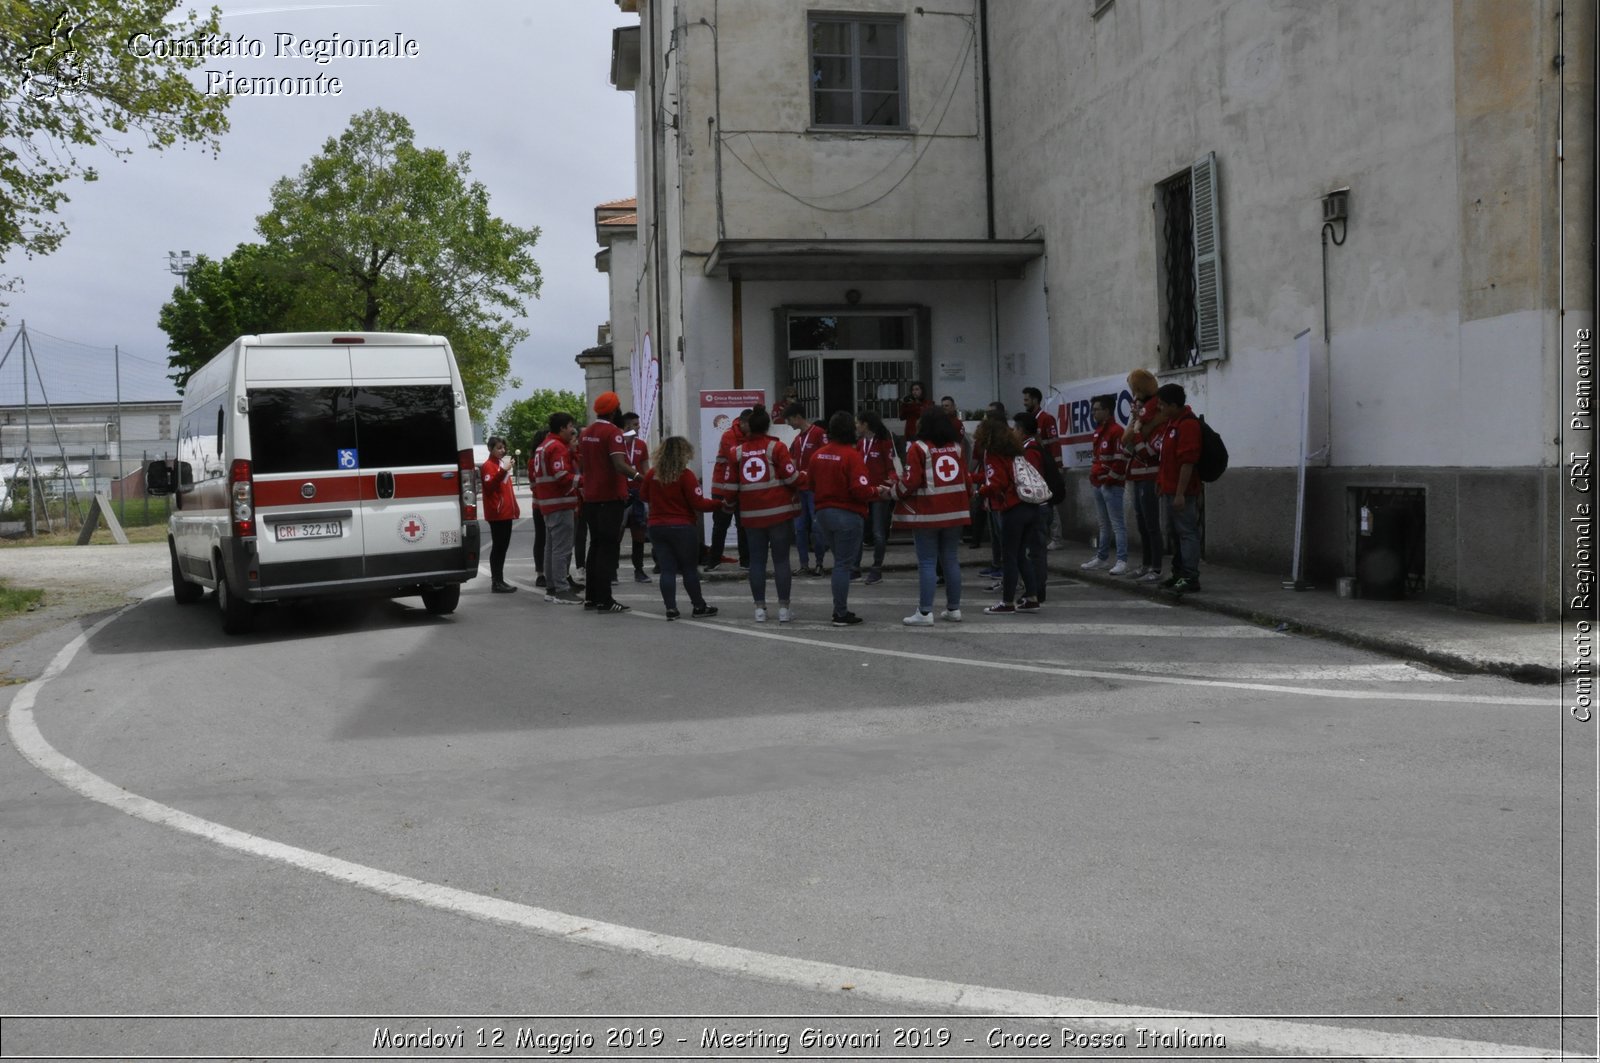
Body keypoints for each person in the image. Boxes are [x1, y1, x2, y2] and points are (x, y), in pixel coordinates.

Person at [888, 406, 970, 624]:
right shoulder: (957, 447)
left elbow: (911, 481)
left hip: (928, 514)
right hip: (955, 512)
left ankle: (925, 612)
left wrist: (893, 492)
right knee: (951, 560)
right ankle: (954, 609)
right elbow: (966, 480)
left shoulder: (919, 448)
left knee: (927, 562)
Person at [731, 405, 801, 622]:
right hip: (778, 513)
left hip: (752, 516)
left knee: (757, 561)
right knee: (781, 560)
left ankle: (760, 609)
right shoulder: (776, 448)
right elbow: (791, 478)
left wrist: (726, 504)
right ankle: (784, 609)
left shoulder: (737, 452)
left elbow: (731, 486)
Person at [641, 436, 720, 620]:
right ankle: (698, 606)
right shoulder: (686, 475)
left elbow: (644, 496)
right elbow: (698, 503)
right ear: (683, 454)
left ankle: (671, 608)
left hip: (657, 526)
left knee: (667, 569)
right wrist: (719, 504)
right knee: (689, 569)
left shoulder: (652, 474)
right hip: (682, 527)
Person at [809, 410, 877, 626]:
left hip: (823, 514)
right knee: (843, 565)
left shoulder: (818, 454)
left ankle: (840, 610)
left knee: (840, 562)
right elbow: (861, 490)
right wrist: (878, 492)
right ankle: (840, 612)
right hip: (847, 515)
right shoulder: (851, 456)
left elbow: (810, 484)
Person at [578, 390, 643, 613]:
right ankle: (605, 600)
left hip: (591, 499)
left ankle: (591, 597)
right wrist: (638, 476)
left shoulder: (586, 433)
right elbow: (618, 464)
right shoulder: (613, 433)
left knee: (595, 546)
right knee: (607, 549)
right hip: (610, 498)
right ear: (614, 411)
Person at [975, 418, 1044, 613]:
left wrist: (979, 492)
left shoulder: (993, 454)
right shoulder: (1014, 451)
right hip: (1029, 505)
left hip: (1012, 509)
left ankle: (1007, 602)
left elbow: (996, 483)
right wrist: (973, 478)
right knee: (1021, 555)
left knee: (1010, 556)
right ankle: (1032, 598)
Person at [1155, 382, 1204, 593]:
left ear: (1174, 405)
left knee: (1186, 533)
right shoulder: (1171, 424)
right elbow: (1166, 459)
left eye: (1163, 405)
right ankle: (1178, 573)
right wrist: (1161, 483)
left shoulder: (1187, 425)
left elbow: (1187, 462)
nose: (1160, 409)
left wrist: (1180, 494)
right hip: (1168, 489)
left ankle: (1191, 576)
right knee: (1174, 534)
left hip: (1182, 492)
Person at [1122, 368, 1169, 583]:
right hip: (1137, 475)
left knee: (1151, 524)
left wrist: (1138, 430)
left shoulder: (1157, 419)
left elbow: (1146, 451)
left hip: (1149, 475)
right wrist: (1135, 426)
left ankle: (1156, 567)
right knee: (1142, 523)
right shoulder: (1139, 416)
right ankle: (1146, 564)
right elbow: (1126, 441)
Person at [533, 413, 583, 604]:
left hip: (547, 504)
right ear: (562, 428)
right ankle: (562, 590)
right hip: (560, 504)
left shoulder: (543, 446)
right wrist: (586, 482)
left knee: (551, 548)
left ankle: (552, 588)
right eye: (571, 426)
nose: (573, 430)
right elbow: (562, 475)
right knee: (561, 549)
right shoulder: (557, 447)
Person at [1081, 393, 1130, 574]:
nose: (1093, 413)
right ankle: (1101, 557)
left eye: (1096, 410)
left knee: (1117, 524)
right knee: (1103, 524)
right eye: (1092, 410)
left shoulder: (1116, 431)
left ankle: (1122, 560)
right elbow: (1097, 458)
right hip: (1099, 484)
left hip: (1112, 485)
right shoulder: (1099, 431)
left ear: (1107, 411)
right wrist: (1095, 478)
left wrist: (1108, 480)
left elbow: (1120, 460)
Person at [783, 402, 827, 575]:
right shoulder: (797, 440)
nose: (788, 424)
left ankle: (819, 563)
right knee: (800, 528)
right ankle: (803, 564)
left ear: (797, 417)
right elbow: (792, 463)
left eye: (789, 420)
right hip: (800, 489)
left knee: (817, 527)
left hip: (814, 489)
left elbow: (824, 459)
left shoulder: (818, 434)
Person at [1011, 410, 1051, 603]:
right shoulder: (1029, 447)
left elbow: (1030, 480)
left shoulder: (1031, 450)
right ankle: (1035, 590)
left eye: (1014, 428)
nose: (1012, 432)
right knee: (1035, 550)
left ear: (1021, 430)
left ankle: (1036, 591)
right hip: (1037, 506)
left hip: (1036, 506)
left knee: (1035, 551)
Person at [853, 409, 896, 584]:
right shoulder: (860, 443)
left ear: (865, 424)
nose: (856, 426)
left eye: (858, 423)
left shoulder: (884, 443)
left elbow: (892, 467)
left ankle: (876, 568)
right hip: (863, 494)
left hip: (880, 493)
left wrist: (890, 482)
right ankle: (854, 568)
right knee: (858, 533)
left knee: (878, 533)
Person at [706, 409, 751, 571]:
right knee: (720, 525)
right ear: (744, 423)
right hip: (722, 487)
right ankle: (714, 560)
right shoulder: (729, 436)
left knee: (743, 525)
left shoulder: (748, 436)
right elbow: (735, 457)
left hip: (742, 487)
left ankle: (746, 561)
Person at [1022, 386, 1063, 547]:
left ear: (1035, 400)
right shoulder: (1028, 420)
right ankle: (1043, 536)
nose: (1024, 403)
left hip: (1047, 467)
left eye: (1027, 400)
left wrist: (1057, 467)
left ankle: (1056, 537)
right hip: (1036, 467)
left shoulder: (1046, 419)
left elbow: (1054, 444)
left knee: (1051, 502)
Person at [480, 436, 520, 593]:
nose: (502, 450)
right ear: (490, 449)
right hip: (497, 512)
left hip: (505, 512)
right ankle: (496, 581)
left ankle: (499, 580)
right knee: (498, 547)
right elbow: (489, 486)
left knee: (502, 547)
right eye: (498, 448)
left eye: (503, 447)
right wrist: (503, 471)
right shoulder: (488, 466)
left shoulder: (501, 464)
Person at [621, 411, 652, 583]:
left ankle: (639, 570)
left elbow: (646, 468)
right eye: (635, 424)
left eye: (638, 424)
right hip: (623, 493)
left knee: (639, 532)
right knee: (617, 532)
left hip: (639, 493)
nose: (638, 427)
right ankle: (612, 572)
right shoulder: (617, 444)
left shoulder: (641, 444)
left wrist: (649, 487)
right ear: (626, 426)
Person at [528, 428, 548, 588]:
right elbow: (534, 485)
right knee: (541, 538)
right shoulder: (533, 460)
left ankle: (548, 571)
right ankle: (540, 573)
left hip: (544, 503)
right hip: (541, 504)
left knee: (548, 539)